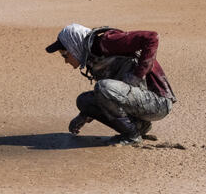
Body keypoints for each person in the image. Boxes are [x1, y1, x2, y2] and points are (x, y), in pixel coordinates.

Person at [46, 22, 174, 142]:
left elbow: (152, 37)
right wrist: (85, 115)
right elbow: (107, 99)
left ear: (73, 45)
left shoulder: (107, 42)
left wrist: (136, 76)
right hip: (138, 101)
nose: (66, 60)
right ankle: (139, 127)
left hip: (158, 102)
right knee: (84, 101)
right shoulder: (92, 57)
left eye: (64, 54)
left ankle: (132, 136)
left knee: (103, 87)